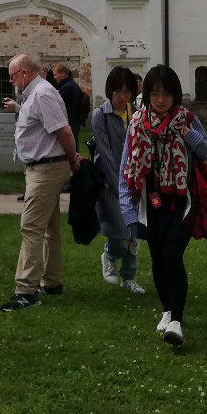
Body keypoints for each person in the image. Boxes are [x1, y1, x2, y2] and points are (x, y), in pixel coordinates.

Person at [119, 64, 207, 349]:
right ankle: (166, 309)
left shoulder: (186, 119)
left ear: (176, 96)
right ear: (147, 94)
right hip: (151, 203)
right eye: (155, 93)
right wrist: (126, 209)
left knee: (172, 254)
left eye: (167, 94)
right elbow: (126, 166)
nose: (161, 100)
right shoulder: (137, 122)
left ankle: (176, 320)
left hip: (181, 202)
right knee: (159, 259)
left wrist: (187, 134)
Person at [0, 53, 79, 313]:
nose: (12, 81)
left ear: (24, 72)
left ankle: (26, 290)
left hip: (46, 168)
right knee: (49, 227)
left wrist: (72, 159)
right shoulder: (35, 94)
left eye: (12, 76)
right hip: (43, 166)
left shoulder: (43, 93)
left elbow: (64, 131)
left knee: (31, 227)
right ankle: (53, 282)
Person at [91, 66, 144, 294]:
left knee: (135, 236)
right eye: (118, 92)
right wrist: (119, 183)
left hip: (136, 181)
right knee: (120, 233)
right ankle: (109, 256)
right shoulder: (100, 115)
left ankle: (129, 276)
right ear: (110, 92)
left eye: (127, 92)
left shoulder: (136, 114)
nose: (123, 97)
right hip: (111, 183)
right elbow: (105, 152)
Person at [54, 64, 88, 135]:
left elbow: (58, 106)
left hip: (70, 122)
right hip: (75, 122)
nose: (54, 77)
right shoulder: (73, 85)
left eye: (55, 75)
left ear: (62, 74)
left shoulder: (67, 87)